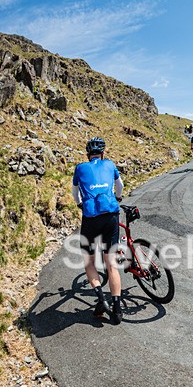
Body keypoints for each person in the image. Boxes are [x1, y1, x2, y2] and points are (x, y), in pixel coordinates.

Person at [72, 137, 124, 324]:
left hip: (91, 219)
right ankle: (117, 310)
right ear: (103, 154)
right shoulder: (109, 164)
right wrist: (117, 198)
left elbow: (75, 192)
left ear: (88, 155)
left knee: (89, 262)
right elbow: (120, 186)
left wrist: (79, 204)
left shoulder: (80, 168)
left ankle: (101, 299)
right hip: (111, 215)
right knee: (111, 265)